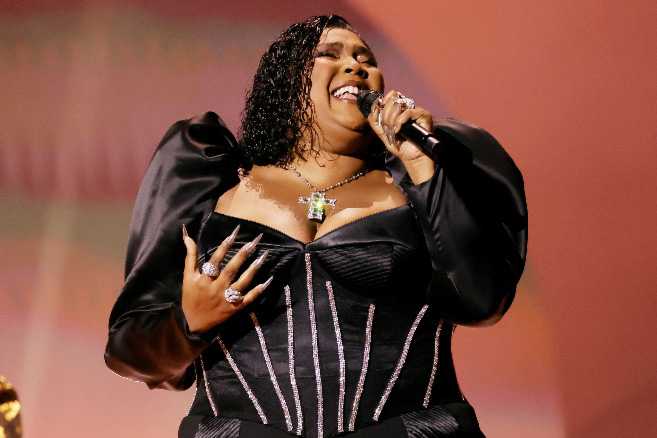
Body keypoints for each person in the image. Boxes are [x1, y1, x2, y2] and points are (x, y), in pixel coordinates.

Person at [104, 14, 527, 438]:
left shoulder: (411, 182)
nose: (357, 66)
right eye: (330, 54)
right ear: (284, 83)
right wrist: (187, 323)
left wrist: (421, 167)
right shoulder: (213, 182)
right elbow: (127, 348)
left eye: (367, 58)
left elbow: (482, 300)